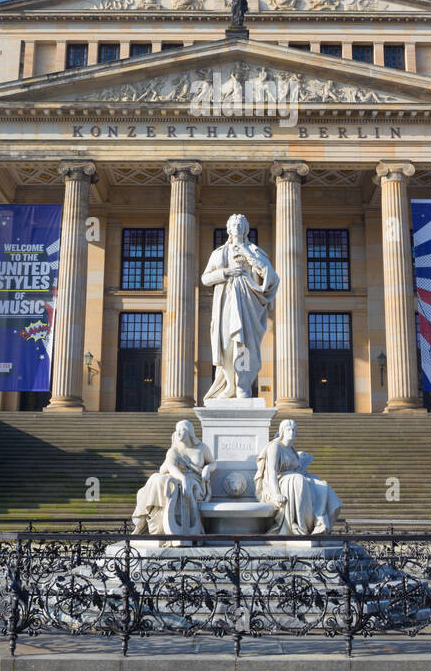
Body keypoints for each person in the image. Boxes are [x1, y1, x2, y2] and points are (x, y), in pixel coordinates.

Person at [201, 214, 278, 399]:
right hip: (225, 300)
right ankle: (229, 385)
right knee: (226, 344)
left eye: (240, 223)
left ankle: (242, 385)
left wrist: (248, 254)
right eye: (234, 224)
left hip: (247, 301)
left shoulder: (254, 250)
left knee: (243, 345)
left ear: (246, 229)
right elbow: (205, 278)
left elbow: (270, 275)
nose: (237, 226)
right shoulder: (218, 253)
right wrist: (225, 272)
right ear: (228, 228)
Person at [255, 419, 342, 535]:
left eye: (294, 430)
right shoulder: (275, 447)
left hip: (295, 477)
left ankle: (320, 524)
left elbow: (297, 468)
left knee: (322, 485)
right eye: (288, 430)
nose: (292, 433)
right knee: (298, 480)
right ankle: (301, 527)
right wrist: (276, 493)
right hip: (281, 481)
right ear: (282, 432)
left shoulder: (291, 449)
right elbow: (271, 472)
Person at [131, 420, 213, 539]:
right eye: (177, 430)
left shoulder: (202, 448)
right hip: (177, 478)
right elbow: (171, 467)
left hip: (195, 483)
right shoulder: (174, 450)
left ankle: (157, 523)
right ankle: (154, 519)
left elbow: (213, 463)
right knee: (157, 479)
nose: (178, 433)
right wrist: (182, 478)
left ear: (189, 432)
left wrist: (208, 468)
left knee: (161, 481)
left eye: (181, 430)